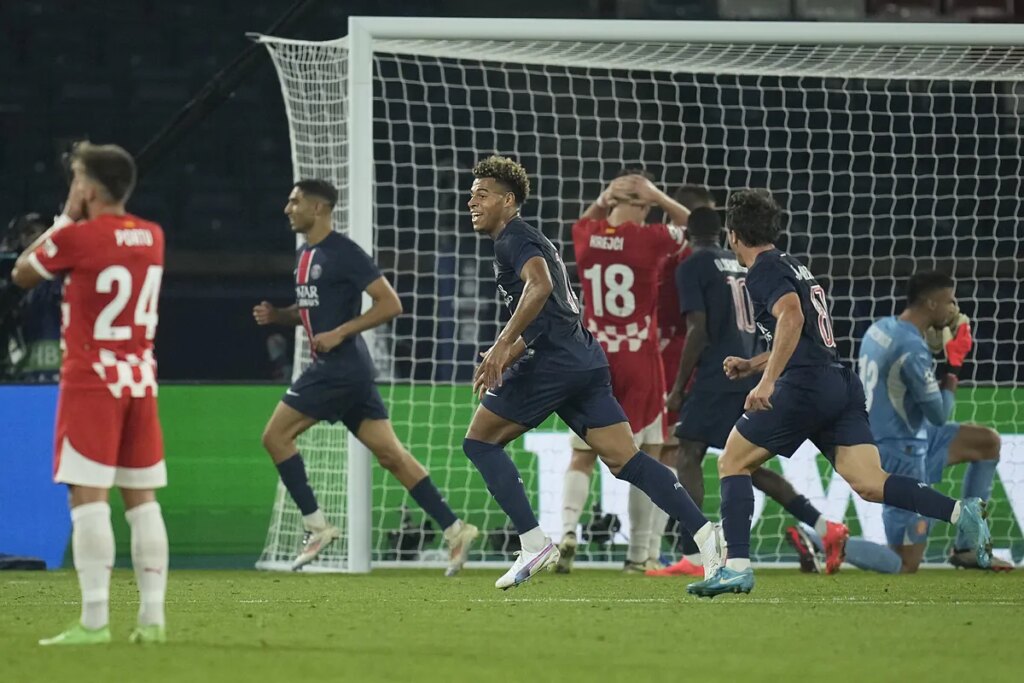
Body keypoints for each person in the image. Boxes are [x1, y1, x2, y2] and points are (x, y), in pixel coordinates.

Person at [686, 189, 992, 598]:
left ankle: (737, 566)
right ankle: (961, 512)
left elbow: (791, 318)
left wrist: (767, 381)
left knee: (732, 461)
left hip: (804, 386)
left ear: (733, 234)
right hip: (836, 382)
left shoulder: (761, 270)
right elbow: (801, 333)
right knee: (870, 481)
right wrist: (752, 364)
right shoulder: (794, 265)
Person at [462, 155, 720, 590]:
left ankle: (534, 542)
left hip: (554, 365)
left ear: (509, 201)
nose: (472, 201)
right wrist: (509, 349)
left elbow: (539, 286)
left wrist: (504, 345)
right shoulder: (536, 239)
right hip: (585, 358)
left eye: (482, 194)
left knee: (480, 442)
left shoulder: (514, 240)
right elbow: (557, 311)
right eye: (471, 194)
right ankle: (706, 537)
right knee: (627, 460)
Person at [253, 179, 477, 574]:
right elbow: (311, 310)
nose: (288, 208)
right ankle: (456, 529)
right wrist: (280, 315)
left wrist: (340, 332)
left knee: (274, 436)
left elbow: (391, 304)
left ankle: (316, 525)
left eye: (295, 201)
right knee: (392, 456)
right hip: (350, 372)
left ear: (319, 208)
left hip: (337, 368)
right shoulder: (305, 255)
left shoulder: (344, 252)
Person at [13, 141, 169, 644]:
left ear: (91, 188)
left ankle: (96, 622)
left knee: (88, 500)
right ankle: (152, 622)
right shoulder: (153, 235)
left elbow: (22, 273)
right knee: (142, 502)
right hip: (139, 380)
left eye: (77, 178)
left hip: (91, 382)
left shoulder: (78, 238)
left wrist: (64, 217)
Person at [649, 206, 849, 578]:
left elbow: (697, 329)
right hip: (747, 368)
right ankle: (825, 527)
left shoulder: (693, 265)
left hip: (716, 373)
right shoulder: (737, 262)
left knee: (688, 451)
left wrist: (678, 388)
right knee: (747, 464)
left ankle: (694, 555)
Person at [558, 170, 690, 574]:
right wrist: (659, 196)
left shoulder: (587, 235)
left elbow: (584, 221)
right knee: (649, 454)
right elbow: (690, 224)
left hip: (594, 356)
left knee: (581, 453)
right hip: (640, 357)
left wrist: (605, 197)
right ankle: (639, 555)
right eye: (647, 206)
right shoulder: (649, 239)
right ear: (643, 206)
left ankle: (566, 531)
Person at [853, 271, 1009, 573]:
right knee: (906, 564)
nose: (954, 309)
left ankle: (967, 548)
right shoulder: (911, 349)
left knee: (987, 443)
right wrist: (954, 365)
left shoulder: (879, 329)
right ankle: (827, 540)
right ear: (932, 303)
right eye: (950, 301)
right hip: (901, 453)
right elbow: (939, 414)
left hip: (910, 434)